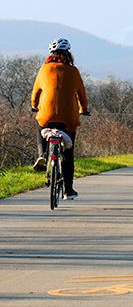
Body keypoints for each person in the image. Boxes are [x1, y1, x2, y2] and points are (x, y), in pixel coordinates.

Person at [31, 38, 90, 200]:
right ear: (68, 54)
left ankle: (42, 154)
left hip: (47, 116)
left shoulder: (44, 70)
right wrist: (83, 110)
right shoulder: (74, 71)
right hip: (68, 118)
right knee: (68, 154)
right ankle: (68, 190)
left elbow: (35, 93)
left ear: (51, 54)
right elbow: (82, 95)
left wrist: (34, 106)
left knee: (40, 123)